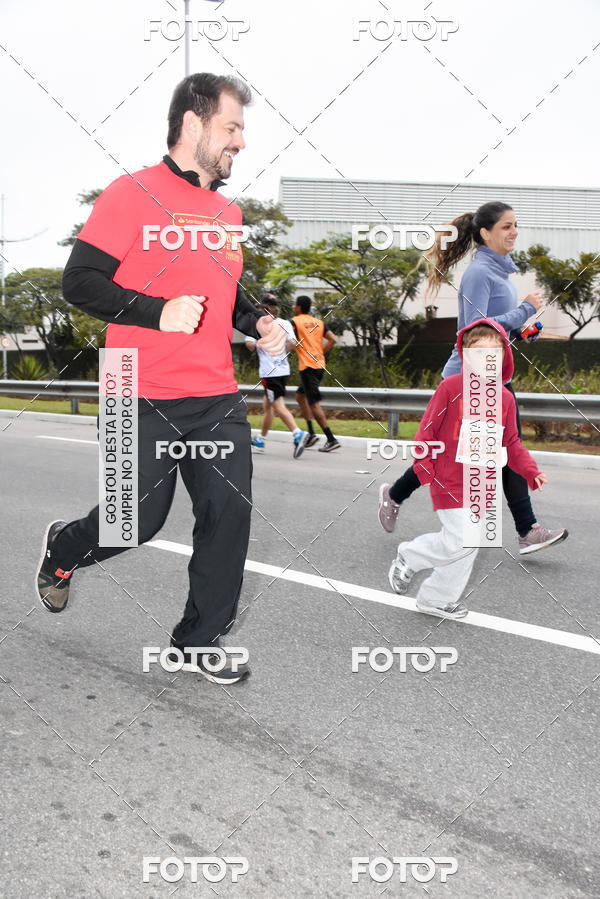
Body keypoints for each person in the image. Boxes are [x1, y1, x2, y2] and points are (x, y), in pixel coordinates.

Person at [35, 73, 287, 685]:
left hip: (215, 395)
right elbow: (80, 282)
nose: (241, 142)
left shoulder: (228, 212)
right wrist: (155, 311)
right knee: (134, 523)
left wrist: (258, 322)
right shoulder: (132, 194)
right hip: (135, 388)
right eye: (232, 128)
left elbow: (224, 296)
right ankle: (64, 548)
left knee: (227, 517)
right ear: (193, 124)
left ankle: (197, 642)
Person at [379, 201, 567, 555]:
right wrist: (526, 308)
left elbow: (494, 329)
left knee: (502, 449)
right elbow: (473, 330)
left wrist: (522, 331)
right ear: (485, 232)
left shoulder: (498, 274)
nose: (514, 232)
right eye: (506, 226)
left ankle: (525, 529)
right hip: (468, 379)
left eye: (515, 225)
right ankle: (398, 495)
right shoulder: (479, 273)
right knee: (458, 455)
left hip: (493, 375)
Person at [388, 318, 551, 619]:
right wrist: (423, 464)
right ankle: (410, 555)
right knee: (462, 537)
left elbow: (512, 443)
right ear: (465, 356)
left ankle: (436, 599)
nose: (486, 360)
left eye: (493, 353)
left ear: (503, 356)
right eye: (478, 353)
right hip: (448, 479)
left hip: (481, 486)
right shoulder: (451, 388)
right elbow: (427, 429)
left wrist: (530, 470)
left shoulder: (505, 399)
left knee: (469, 544)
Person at [245, 294, 310, 458]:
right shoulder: (285, 323)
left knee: (277, 405)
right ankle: (261, 439)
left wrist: (258, 343)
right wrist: (281, 351)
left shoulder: (257, 324)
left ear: (263, 308)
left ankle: (298, 433)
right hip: (283, 371)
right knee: (268, 405)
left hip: (270, 373)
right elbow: (293, 343)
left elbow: (250, 345)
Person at [291, 295, 340, 452]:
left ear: (299, 307)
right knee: (300, 397)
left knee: (313, 404)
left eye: (294, 304)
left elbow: (289, 341)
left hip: (308, 367)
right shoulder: (319, 322)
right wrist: (321, 353)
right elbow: (333, 339)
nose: (293, 307)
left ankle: (331, 439)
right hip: (319, 365)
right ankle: (311, 433)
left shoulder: (295, 322)